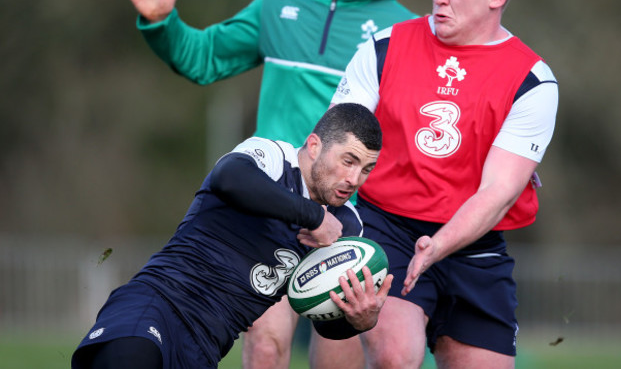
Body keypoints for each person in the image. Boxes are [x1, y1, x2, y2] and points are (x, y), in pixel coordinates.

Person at [112, 0, 415, 368]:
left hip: (347, 217)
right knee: (266, 345)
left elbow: (434, 116)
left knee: (339, 349)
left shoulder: (403, 29)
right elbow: (204, 57)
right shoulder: (278, 7)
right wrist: (162, 23)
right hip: (269, 201)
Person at [330, 0, 559, 368]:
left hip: (475, 243)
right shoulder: (385, 46)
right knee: (396, 357)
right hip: (387, 231)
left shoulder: (532, 79)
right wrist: (321, 214)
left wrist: (437, 246)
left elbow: (499, 191)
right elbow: (340, 144)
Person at [71, 103, 394, 369]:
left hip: (206, 347)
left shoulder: (348, 228)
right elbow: (230, 178)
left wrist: (358, 319)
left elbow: (322, 315)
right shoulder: (270, 157)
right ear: (314, 146)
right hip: (157, 305)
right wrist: (311, 216)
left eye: (366, 169)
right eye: (348, 161)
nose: (354, 179)